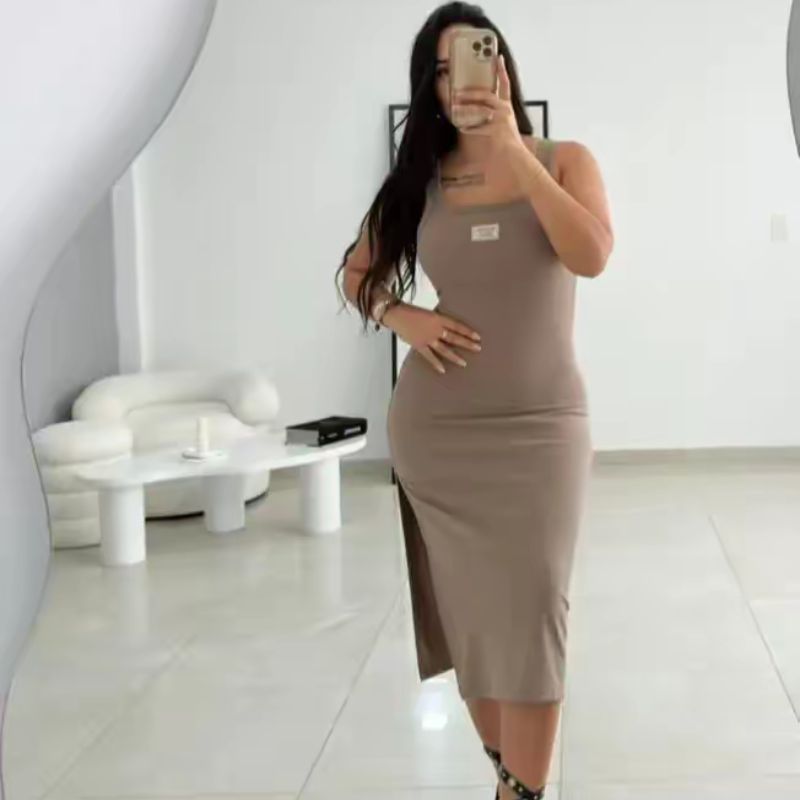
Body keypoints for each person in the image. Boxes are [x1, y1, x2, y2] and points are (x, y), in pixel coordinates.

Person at [335, 3, 613, 799]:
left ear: (504, 68)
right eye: (442, 69)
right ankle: (511, 780)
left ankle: (518, 790)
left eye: (477, 59)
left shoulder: (563, 159)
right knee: (471, 615)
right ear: (429, 86)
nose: (461, 82)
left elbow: (591, 254)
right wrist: (402, 315)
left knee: (535, 607)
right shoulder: (418, 184)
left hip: (544, 428)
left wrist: (513, 151)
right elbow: (355, 273)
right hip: (439, 433)